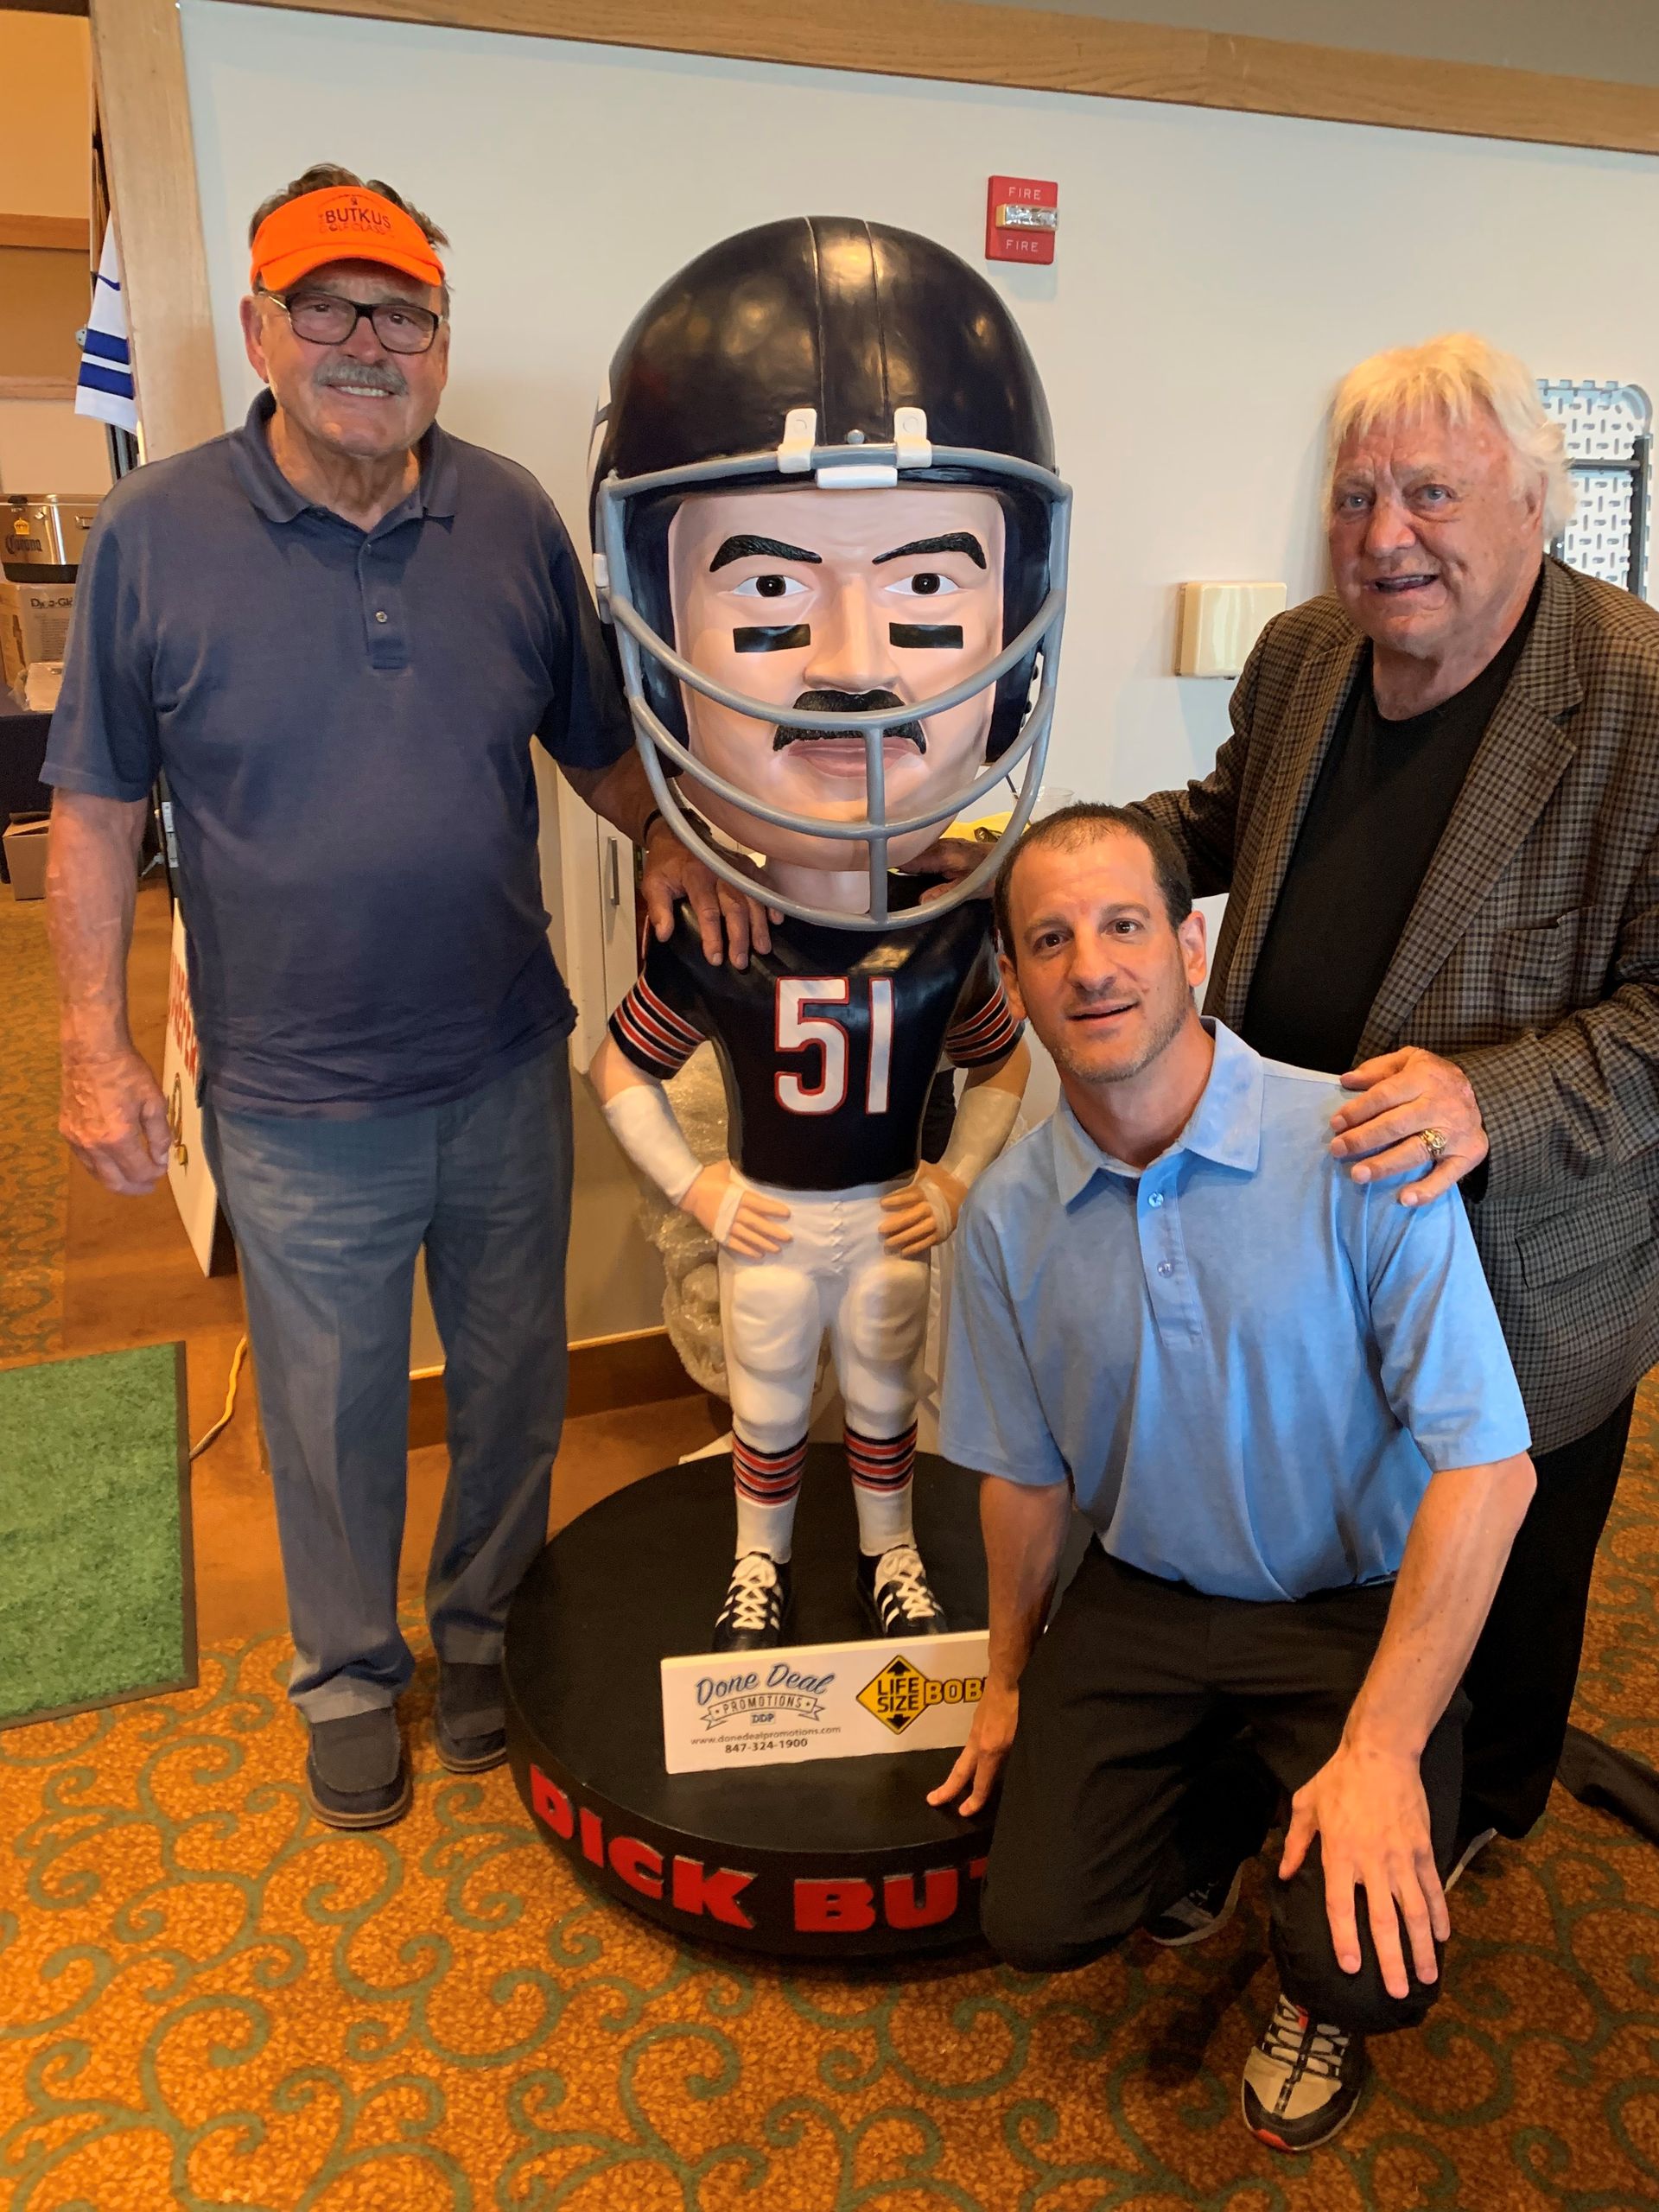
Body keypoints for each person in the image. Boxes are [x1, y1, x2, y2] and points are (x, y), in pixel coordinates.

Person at [42, 166, 760, 1831]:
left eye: (403, 314)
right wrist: (88, 1045)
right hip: (295, 1098)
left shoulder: (508, 517)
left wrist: (664, 837)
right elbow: (88, 802)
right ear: (259, 330)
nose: (368, 343)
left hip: (500, 1056)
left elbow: (594, 741)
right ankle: (351, 1673)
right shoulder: (159, 538)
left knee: (512, 1390)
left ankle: (489, 1635)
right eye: (329, 307)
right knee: (332, 1413)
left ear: (441, 339)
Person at [931, 804, 1535, 2149]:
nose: (1092, 966)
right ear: (1017, 984)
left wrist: (1380, 1745)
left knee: (1367, 1967)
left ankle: (1312, 1877)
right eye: (1050, 940)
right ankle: (1223, 1811)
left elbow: (1490, 1472)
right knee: (1035, 1919)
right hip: (1145, 1594)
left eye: (1124, 925)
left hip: (1345, 1605)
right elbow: (1025, 1487)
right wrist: (1005, 1681)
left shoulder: (1358, 1145)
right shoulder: (1008, 1225)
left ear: (1189, 944)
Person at [1133, 334, 1659, 1859]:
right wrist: (1060, 867)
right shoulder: (1307, 652)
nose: (1384, 534)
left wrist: (1491, 1096)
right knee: (1321, 1541)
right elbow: (1219, 822)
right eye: (1357, 494)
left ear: (1535, 507)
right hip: (1300, 1229)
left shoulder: (1636, 694)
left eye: (1429, 492)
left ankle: (1476, 1827)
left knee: (1511, 1579)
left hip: (1525, 1271)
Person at [583, 218, 1062, 1649]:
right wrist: (706, 1191)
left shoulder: (954, 926)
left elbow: (1000, 1064)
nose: (853, 665)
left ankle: (891, 1552)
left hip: (882, 1218)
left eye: (925, 586)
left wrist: (963, 1174)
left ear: (1015, 599)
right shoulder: (719, 925)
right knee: (769, 1382)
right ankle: (762, 1559)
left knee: (889, 1378)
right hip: (778, 1221)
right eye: (773, 588)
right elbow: (613, 1068)